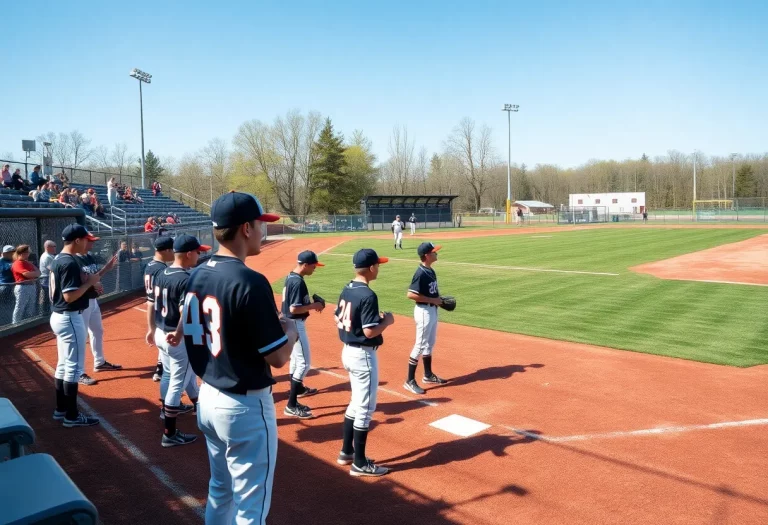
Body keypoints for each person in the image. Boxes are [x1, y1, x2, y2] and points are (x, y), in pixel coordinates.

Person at [175, 191, 296, 524]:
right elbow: (278, 358)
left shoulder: (197, 271)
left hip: (208, 395)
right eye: (261, 224)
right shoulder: (250, 280)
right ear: (245, 228)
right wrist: (293, 332)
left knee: (220, 491)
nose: (264, 231)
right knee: (251, 508)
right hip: (243, 405)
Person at [334, 248, 394, 477]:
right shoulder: (368, 295)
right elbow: (369, 332)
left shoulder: (347, 289)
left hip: (348, 351)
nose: (378, 268)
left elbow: (337, 316)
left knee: (355, 403)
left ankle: (346, 451)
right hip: (362, 355)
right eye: (377, 265)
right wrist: (386, 322)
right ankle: (359, 463)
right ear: (370, 268)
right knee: (365, 409)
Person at [152, 234, 210, 447]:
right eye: (197, 251)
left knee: (177, 376)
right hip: (177, 337)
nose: (199, 255)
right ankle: (170, 433)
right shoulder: (186, 279)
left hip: (161, 332)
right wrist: (178, 334)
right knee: (179, 382)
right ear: (188, 254)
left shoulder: (162, 272)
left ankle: (197, 409)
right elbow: (185, 311)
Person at [50, 224, 101, 427]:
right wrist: (89, 283)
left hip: (59, 316)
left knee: (63, 365)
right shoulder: (69, 262)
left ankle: (61, 409)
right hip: (69, 316)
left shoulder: (58, 258)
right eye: (85, 239)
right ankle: (71, 416)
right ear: (77, 240)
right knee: (72, 367)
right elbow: (70, 296)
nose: (87, 243)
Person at [280, 250, 325, 419]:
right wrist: (315, 305)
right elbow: (294, 308)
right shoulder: (298, 282)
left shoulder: (291, 277)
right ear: (305, 265)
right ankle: (291, 405)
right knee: (304, 363)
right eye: (313, 266)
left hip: (287, 323)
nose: (315, 269)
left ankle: (298, 389)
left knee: (296, 360)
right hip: (295, 324)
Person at [404, 242, 447, 395]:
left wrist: (438, 299)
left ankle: (428, 375)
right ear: (427, 255)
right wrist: (433, 300)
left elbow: (432, 292)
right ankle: (409, 380)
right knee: (420, 345)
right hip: (423, 312)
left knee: (430, 343)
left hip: (432, 310)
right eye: (434, 252)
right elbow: (410, 294)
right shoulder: (420, 273)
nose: (437, 253)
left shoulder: (431, 270)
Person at [77, 236, 121, 386]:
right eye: (89, 240)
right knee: (81, 336)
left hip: (93, 300)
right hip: (81, 301)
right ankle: (79, 371)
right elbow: (77, 281)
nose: (92, 243)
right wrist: (92, 284)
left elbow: (94, 277)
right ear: (81, 241)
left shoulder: (88, 257)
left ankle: (99, 362)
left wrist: (106, 269)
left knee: (97, 331)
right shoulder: (74, 259)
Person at [144, 236, 175, 383]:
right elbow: (151, 302)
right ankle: (162, 370)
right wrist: (151, 328)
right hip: (160, 309)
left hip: (156, 307)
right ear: (167, 250)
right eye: (172, 249)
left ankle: (160, 368)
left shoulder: (150, 265)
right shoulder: (161, 269)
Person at [11, 245, 40, 324]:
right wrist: (34, 274)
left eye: (28, 252)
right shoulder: (17, 263)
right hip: (22, 287)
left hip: (31, 286)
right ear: (21, 253)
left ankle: (28, 323)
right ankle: (16, 324)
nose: (28, 254)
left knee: (31, 306)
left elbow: (39, 272)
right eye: (26, 252)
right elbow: (27, 274)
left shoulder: (27, 262)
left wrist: (34, 273)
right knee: (20, 307)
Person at [39, 240, 57, 311]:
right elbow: (53, 269)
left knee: (48, 300)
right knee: (46, 300)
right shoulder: (46, 257)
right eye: (54, 247)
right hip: (46, 282)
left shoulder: (50, 256)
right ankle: (44, 315)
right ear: (47, 247)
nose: (55, 248)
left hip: (49, 281)